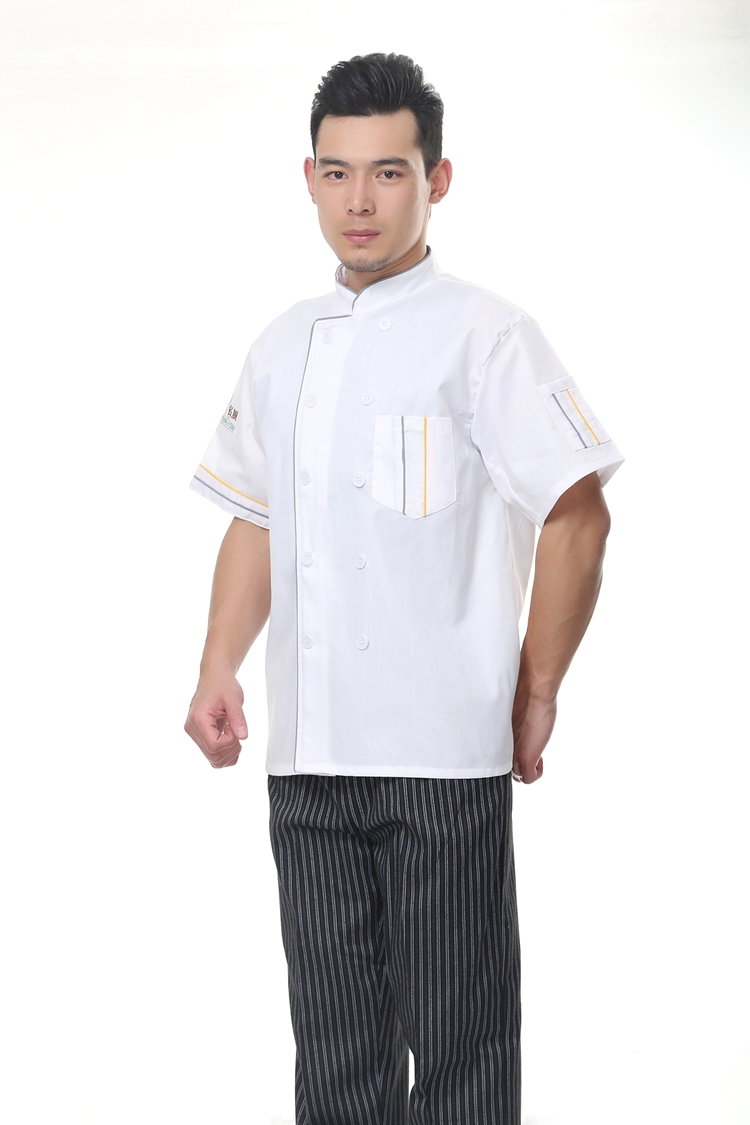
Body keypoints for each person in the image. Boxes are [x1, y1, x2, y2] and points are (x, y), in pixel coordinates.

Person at [184, 51, 623, 1125]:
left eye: (389, 172)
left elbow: (576, 512)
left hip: (440, 761)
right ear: (308, 179)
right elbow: (258, 515)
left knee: (462, 1053)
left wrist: (538, 688)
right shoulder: (281, 345)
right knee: (334, 1056)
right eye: (337, 173)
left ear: (438, 179)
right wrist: (217, 666)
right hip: (308, 761)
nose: (360, 201)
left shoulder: (488, 335)